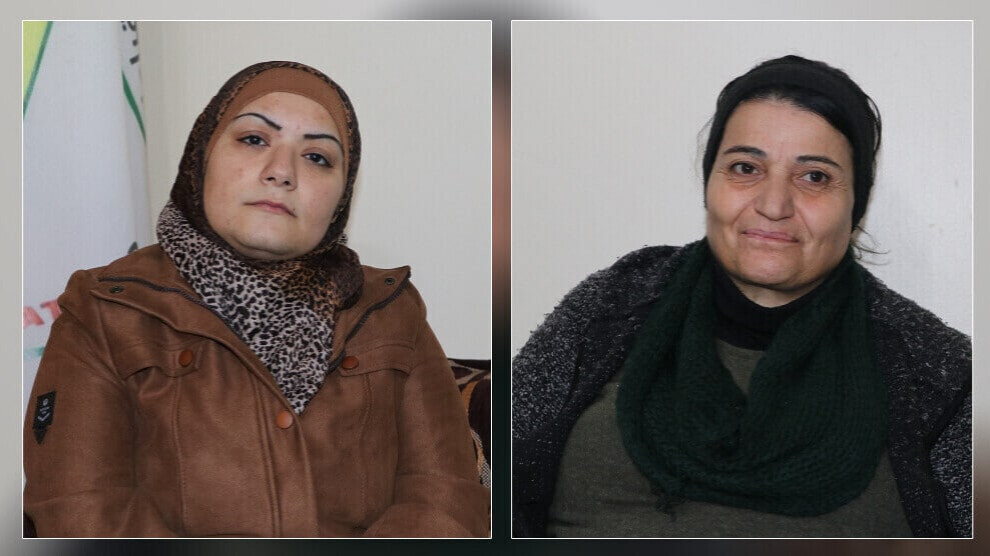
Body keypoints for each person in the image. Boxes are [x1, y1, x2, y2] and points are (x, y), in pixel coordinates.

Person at [24, 61, 488, 537]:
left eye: (317, 157)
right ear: (202, 158)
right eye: (253, 139)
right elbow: (82, 510)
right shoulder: (103, 310)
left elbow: (445, 498)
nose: (281, 171)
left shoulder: (391, 310)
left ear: (340, 197)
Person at [512, 55, 971, 538]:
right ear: (709, 182)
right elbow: (486, 474)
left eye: (814, 176)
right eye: (746, 167)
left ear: (856, 201)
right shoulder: (609, 306)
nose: (773, 205)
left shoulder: (937, 370)